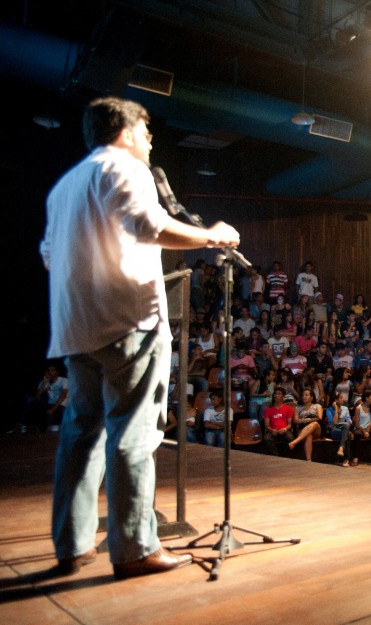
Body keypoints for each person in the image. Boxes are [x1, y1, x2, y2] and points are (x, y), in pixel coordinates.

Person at [41, 97, 239, 579]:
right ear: (126, 132)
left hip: (76, 326)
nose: (150, 143)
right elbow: (149, 226)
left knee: (80, 435)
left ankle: (72, 544)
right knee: (132, 433)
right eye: (147, 133)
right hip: (128, 320)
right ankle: (134, 549)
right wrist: (212, 236)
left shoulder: (65, 185)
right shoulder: (126, 168)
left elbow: (49, 253)